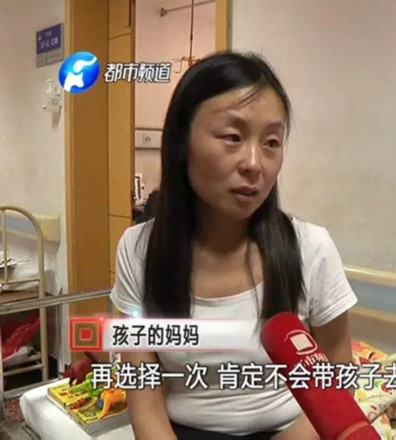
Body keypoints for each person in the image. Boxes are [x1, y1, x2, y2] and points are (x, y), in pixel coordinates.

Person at [109, 51, 358, 440]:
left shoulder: (311, 248)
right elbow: (144, 391)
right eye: (233, 137)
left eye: (272, 142)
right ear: (181, 142)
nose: (254, 163)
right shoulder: (138, 249)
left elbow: (339, 377)